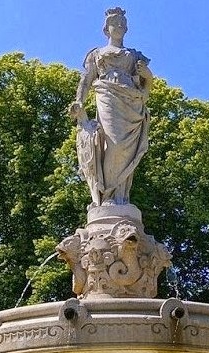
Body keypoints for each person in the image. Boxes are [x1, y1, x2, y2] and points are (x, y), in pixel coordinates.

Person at [70, 7, 153, 207]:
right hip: (107, 96)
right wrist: (79, 101)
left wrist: (148, 77)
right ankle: (107, 196)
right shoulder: (97, 54)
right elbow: (86, 79)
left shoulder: (135, 56)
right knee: (112, 145)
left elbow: (145, 91)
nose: (120, 25)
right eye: (115, 22)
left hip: (131, 103)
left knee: (128, 151)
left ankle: (121, 197)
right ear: (106, 29)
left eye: (123, 22)